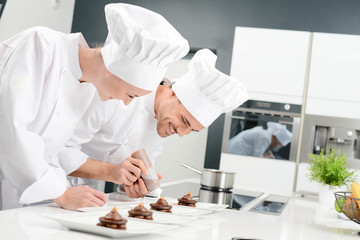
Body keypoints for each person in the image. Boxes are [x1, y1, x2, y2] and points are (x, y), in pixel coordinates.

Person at [0, 3, 189, 210]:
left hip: (23, 198)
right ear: (112, 70)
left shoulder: (87, 88)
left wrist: (64, 193)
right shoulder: (40, 44)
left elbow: (50, 153)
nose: (126, 103)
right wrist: (61, 194)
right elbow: (11, 131)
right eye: (130, 95)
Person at [59, 48, 249, 198]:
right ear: (173, 93)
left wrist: (133, 187)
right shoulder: (118, 93)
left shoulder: (163, 127)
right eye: (184, 120)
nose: (181, 133)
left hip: (88, 197)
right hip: (51, 188)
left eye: (192, 130)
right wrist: (111, 172)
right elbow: (60, 150)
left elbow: (126, 179)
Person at [228, 122, 292, 158]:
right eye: (279, 144)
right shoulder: (265, 137)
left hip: (233, 149)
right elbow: (256, 159)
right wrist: (267, 157)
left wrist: (264, 155)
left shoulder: (264, 132)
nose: (276, 146)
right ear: (275, 138)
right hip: (235, 152)